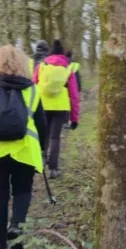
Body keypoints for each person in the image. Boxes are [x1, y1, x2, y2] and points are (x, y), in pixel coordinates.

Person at [0, 45, 46, 249]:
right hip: (25, 150)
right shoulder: (32, 89)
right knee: (22, 192)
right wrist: (43, 150)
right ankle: (17, 233)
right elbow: (41, 124)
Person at [33, 39, 80, 177]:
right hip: (61, 107)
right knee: (55, 137)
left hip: (42, 105)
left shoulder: (41, 67)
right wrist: (74, 117)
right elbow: (74, 95)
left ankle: (40, 163)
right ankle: (53, 169)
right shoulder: (68, 69)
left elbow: (32, 86)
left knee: (43, 134)